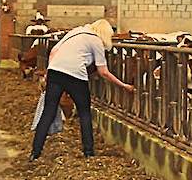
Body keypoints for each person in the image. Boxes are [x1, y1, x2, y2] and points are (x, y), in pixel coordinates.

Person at [30, 19, 134, 161]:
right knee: (84, 112)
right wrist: (123, 85)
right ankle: (88, 151)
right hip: (75, 75)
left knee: (48, 111)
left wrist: (49, 72)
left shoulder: (75, 31)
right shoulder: (96, 40)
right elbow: (103, 71)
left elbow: (54, 51)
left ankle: (35, 152)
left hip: (55, 71)